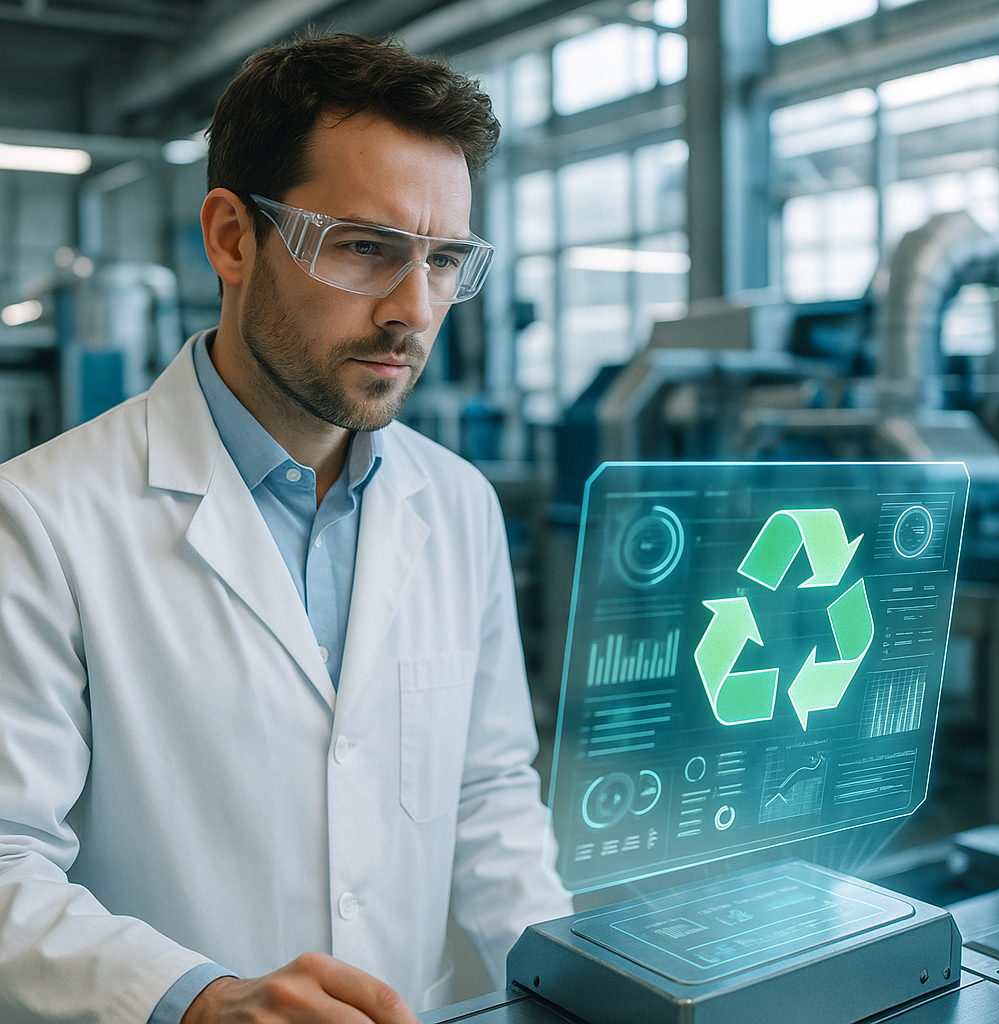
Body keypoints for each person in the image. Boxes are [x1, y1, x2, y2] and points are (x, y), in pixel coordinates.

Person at [0, 32, 572, 1024]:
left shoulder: (458, 505)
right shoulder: (40, 523)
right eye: (366, 248)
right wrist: (197, 999)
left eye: (444, 261)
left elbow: (485, 797)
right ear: (231, 237)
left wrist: (571, 984)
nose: (413, 310)